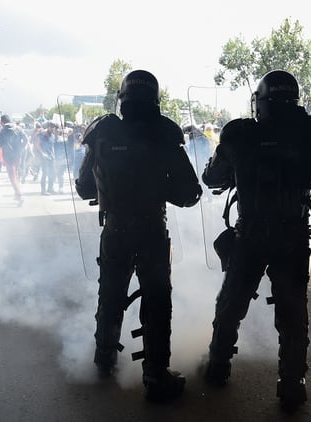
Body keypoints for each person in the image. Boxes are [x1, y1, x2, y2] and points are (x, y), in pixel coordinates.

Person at [200, 70, 311, 411]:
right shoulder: (310, 136)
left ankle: (217, 367)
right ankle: (292, 385)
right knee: (293, 314)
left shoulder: (239, 135)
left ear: (260, 102)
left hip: (249, 237)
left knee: (231, 304)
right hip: (293, 238)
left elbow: (211, 178)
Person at [75, 69, 202, 402]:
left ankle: (104, 359)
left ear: (122, 99)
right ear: (154, 100)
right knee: (157, 302)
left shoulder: (103, 132)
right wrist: (161, 189)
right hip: (151, 231)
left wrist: (109, 192)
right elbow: (190, 192)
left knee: (111, 295)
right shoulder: (165, 133)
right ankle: (156, 376)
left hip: (115, 230)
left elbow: (83, 186)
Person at [0, 114, 27, 205]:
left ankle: (19, 194)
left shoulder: (1, 131)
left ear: (2, 122)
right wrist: (20, 149)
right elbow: (25, 140)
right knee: (15, 173)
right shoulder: (19, 129)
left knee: (12, 175)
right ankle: (17, 194)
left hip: (8, 155)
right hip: (17, 155)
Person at [36, 121, 58, 195]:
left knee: (52, 173)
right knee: (44, 173)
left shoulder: (53, 136)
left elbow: (52, 146)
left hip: (51, 157)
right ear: (48, 127)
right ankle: (43, 190)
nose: (52, 129)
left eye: (53, 127)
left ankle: (50, 188)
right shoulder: (42, 135)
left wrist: (54, 155)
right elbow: (38, 145)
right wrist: (42, 153)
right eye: (51, 127)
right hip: (44, 157)